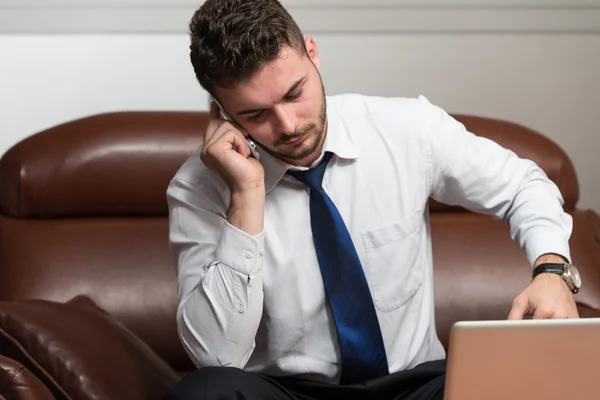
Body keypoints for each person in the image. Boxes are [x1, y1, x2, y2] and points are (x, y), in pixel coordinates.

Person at [164, 0, 580, 399]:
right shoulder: (198, 189)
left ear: (312, 53)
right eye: (256, 115)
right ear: (221, 112)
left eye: (295, 94)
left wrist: (552, 271)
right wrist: (246, 194)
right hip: (292, 392)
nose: (288, 126)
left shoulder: (406, 129)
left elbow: (523, 184)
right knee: (204, 392)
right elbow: (217, 356)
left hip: (415, 385)